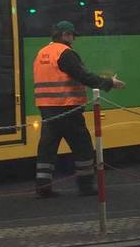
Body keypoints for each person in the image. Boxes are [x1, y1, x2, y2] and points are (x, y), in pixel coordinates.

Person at [33, 20, 125, 198]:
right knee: (82, 146)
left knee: (47, 147)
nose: (73, 39)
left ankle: (43, 186)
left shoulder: (42, 53)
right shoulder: (66, 53)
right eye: (72, 36)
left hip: (47, 108)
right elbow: (83, 76)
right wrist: (109, 82)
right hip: (67, 107)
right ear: (66, 35)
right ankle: (85, 186)